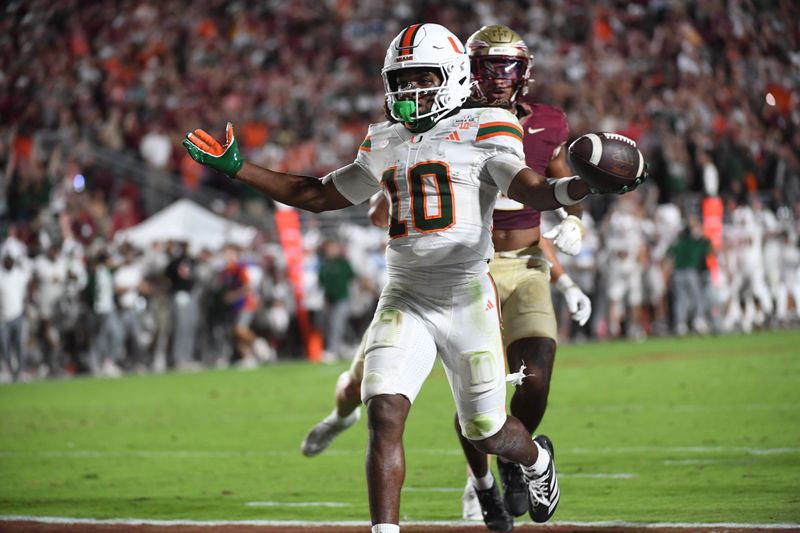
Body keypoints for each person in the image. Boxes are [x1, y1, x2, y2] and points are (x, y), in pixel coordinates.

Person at [183, 23, 643, 532]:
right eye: (400, 80)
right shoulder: (383, 139)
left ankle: (536, 460)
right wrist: (239, 169)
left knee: (487, 429)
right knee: (383, 412)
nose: (409, 91)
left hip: (467, 292)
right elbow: (317, 194)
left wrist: (576, 189)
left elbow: (531, 190)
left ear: (451, 76)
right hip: (404, 295)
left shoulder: (489, 124)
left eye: (421, 77)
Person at [302, 24, 595, 532]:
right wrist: (394, 193)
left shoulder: (537, 122)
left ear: (523, 71)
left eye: (507, 65)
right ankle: (467, 480)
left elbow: (542, 187)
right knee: (366, 387)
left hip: (508, 262)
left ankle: (518, 463)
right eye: (488, 64)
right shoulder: (438, 115)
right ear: (468, 69)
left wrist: (573, 220)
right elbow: (384, 190)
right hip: (418, 277)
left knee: (513, 393)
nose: (498, 76)